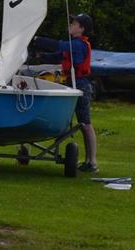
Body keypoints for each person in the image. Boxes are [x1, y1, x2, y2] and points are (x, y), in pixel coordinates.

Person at [32, 13, 97, 172]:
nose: (70, 25)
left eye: (74, 23)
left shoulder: (78, 44)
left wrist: (36, 40)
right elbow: (58, 55)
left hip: (80, 85)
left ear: (81, 29)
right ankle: (89, 161)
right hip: (71, 82)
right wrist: (41, 56)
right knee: (82, 123)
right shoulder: (73, 45)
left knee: (85, 123)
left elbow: (58, 46)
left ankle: (92, 161)